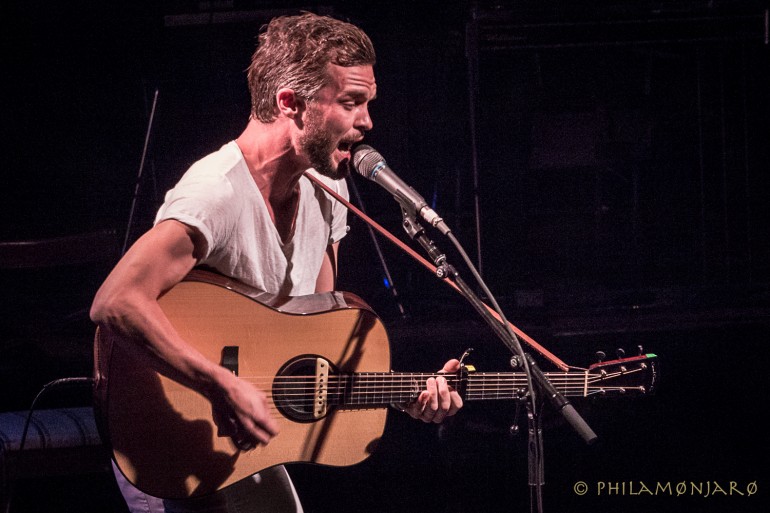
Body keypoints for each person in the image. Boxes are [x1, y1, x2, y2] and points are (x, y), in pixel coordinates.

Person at [90, 11, 463, 513]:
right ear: (290, 103)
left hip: (236, 447)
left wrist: (405, 393)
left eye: (368, 103)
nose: (368, 122)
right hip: (166, 431)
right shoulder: (215, 193)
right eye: (352, 102)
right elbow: (116, 301)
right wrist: (220, 383)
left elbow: (316, 336)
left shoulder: (329, 187)